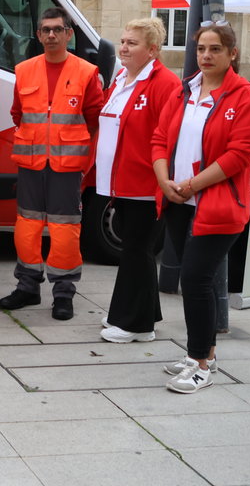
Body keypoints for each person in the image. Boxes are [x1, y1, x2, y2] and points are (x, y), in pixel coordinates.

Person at [151, 21, 250, 394]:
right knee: (193, 280)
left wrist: (191, 185)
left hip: (217, 205)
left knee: (196, 280)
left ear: (232, 54)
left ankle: (202, 364)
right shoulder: (185, 91)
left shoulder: (244, 95)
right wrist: (165, 181)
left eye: (215, 49)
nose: (206, 56)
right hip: (178, 201)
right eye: (201, 49)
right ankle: (199, 354)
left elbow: (241, 153)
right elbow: (159, 138)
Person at [0, 6, 103, 321]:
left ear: (69, 34)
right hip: (31, 164)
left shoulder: (86, 72)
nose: (52, 35)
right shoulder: (25, 69)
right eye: (46, 29)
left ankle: (63, 294)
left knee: (64, 230)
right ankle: (28, 286)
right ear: (39, 34)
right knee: (27, 227)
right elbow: (18, 113)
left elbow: (95, 119)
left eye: (58, 29)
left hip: (66, 167)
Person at [95, 18, 180, 343]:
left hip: (145, 182)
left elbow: (167, 137)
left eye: (133, 43)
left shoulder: (164, 83)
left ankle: (133, 324)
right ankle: (138, 315)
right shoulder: (121, 78)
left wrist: (161, 178)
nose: (124, 47)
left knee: (137, 250)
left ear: (153, 50)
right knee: (136, 250)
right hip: (119, 180)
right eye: (123, 40)